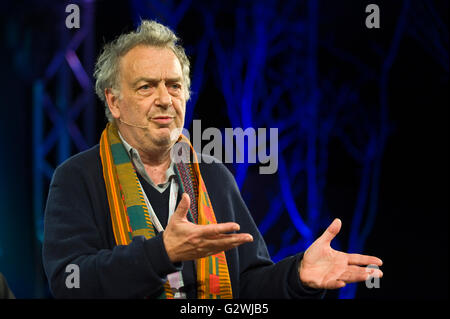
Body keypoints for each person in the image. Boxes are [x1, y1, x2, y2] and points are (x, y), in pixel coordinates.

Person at [42, 20, 383, 299]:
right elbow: (71, 283)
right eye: (146, 87)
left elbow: (248, 285)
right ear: (113, 102)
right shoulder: (77, 177)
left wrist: (297, 276)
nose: (165, 99)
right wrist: (163, 252)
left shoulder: (213, 175)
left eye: (174, 86)